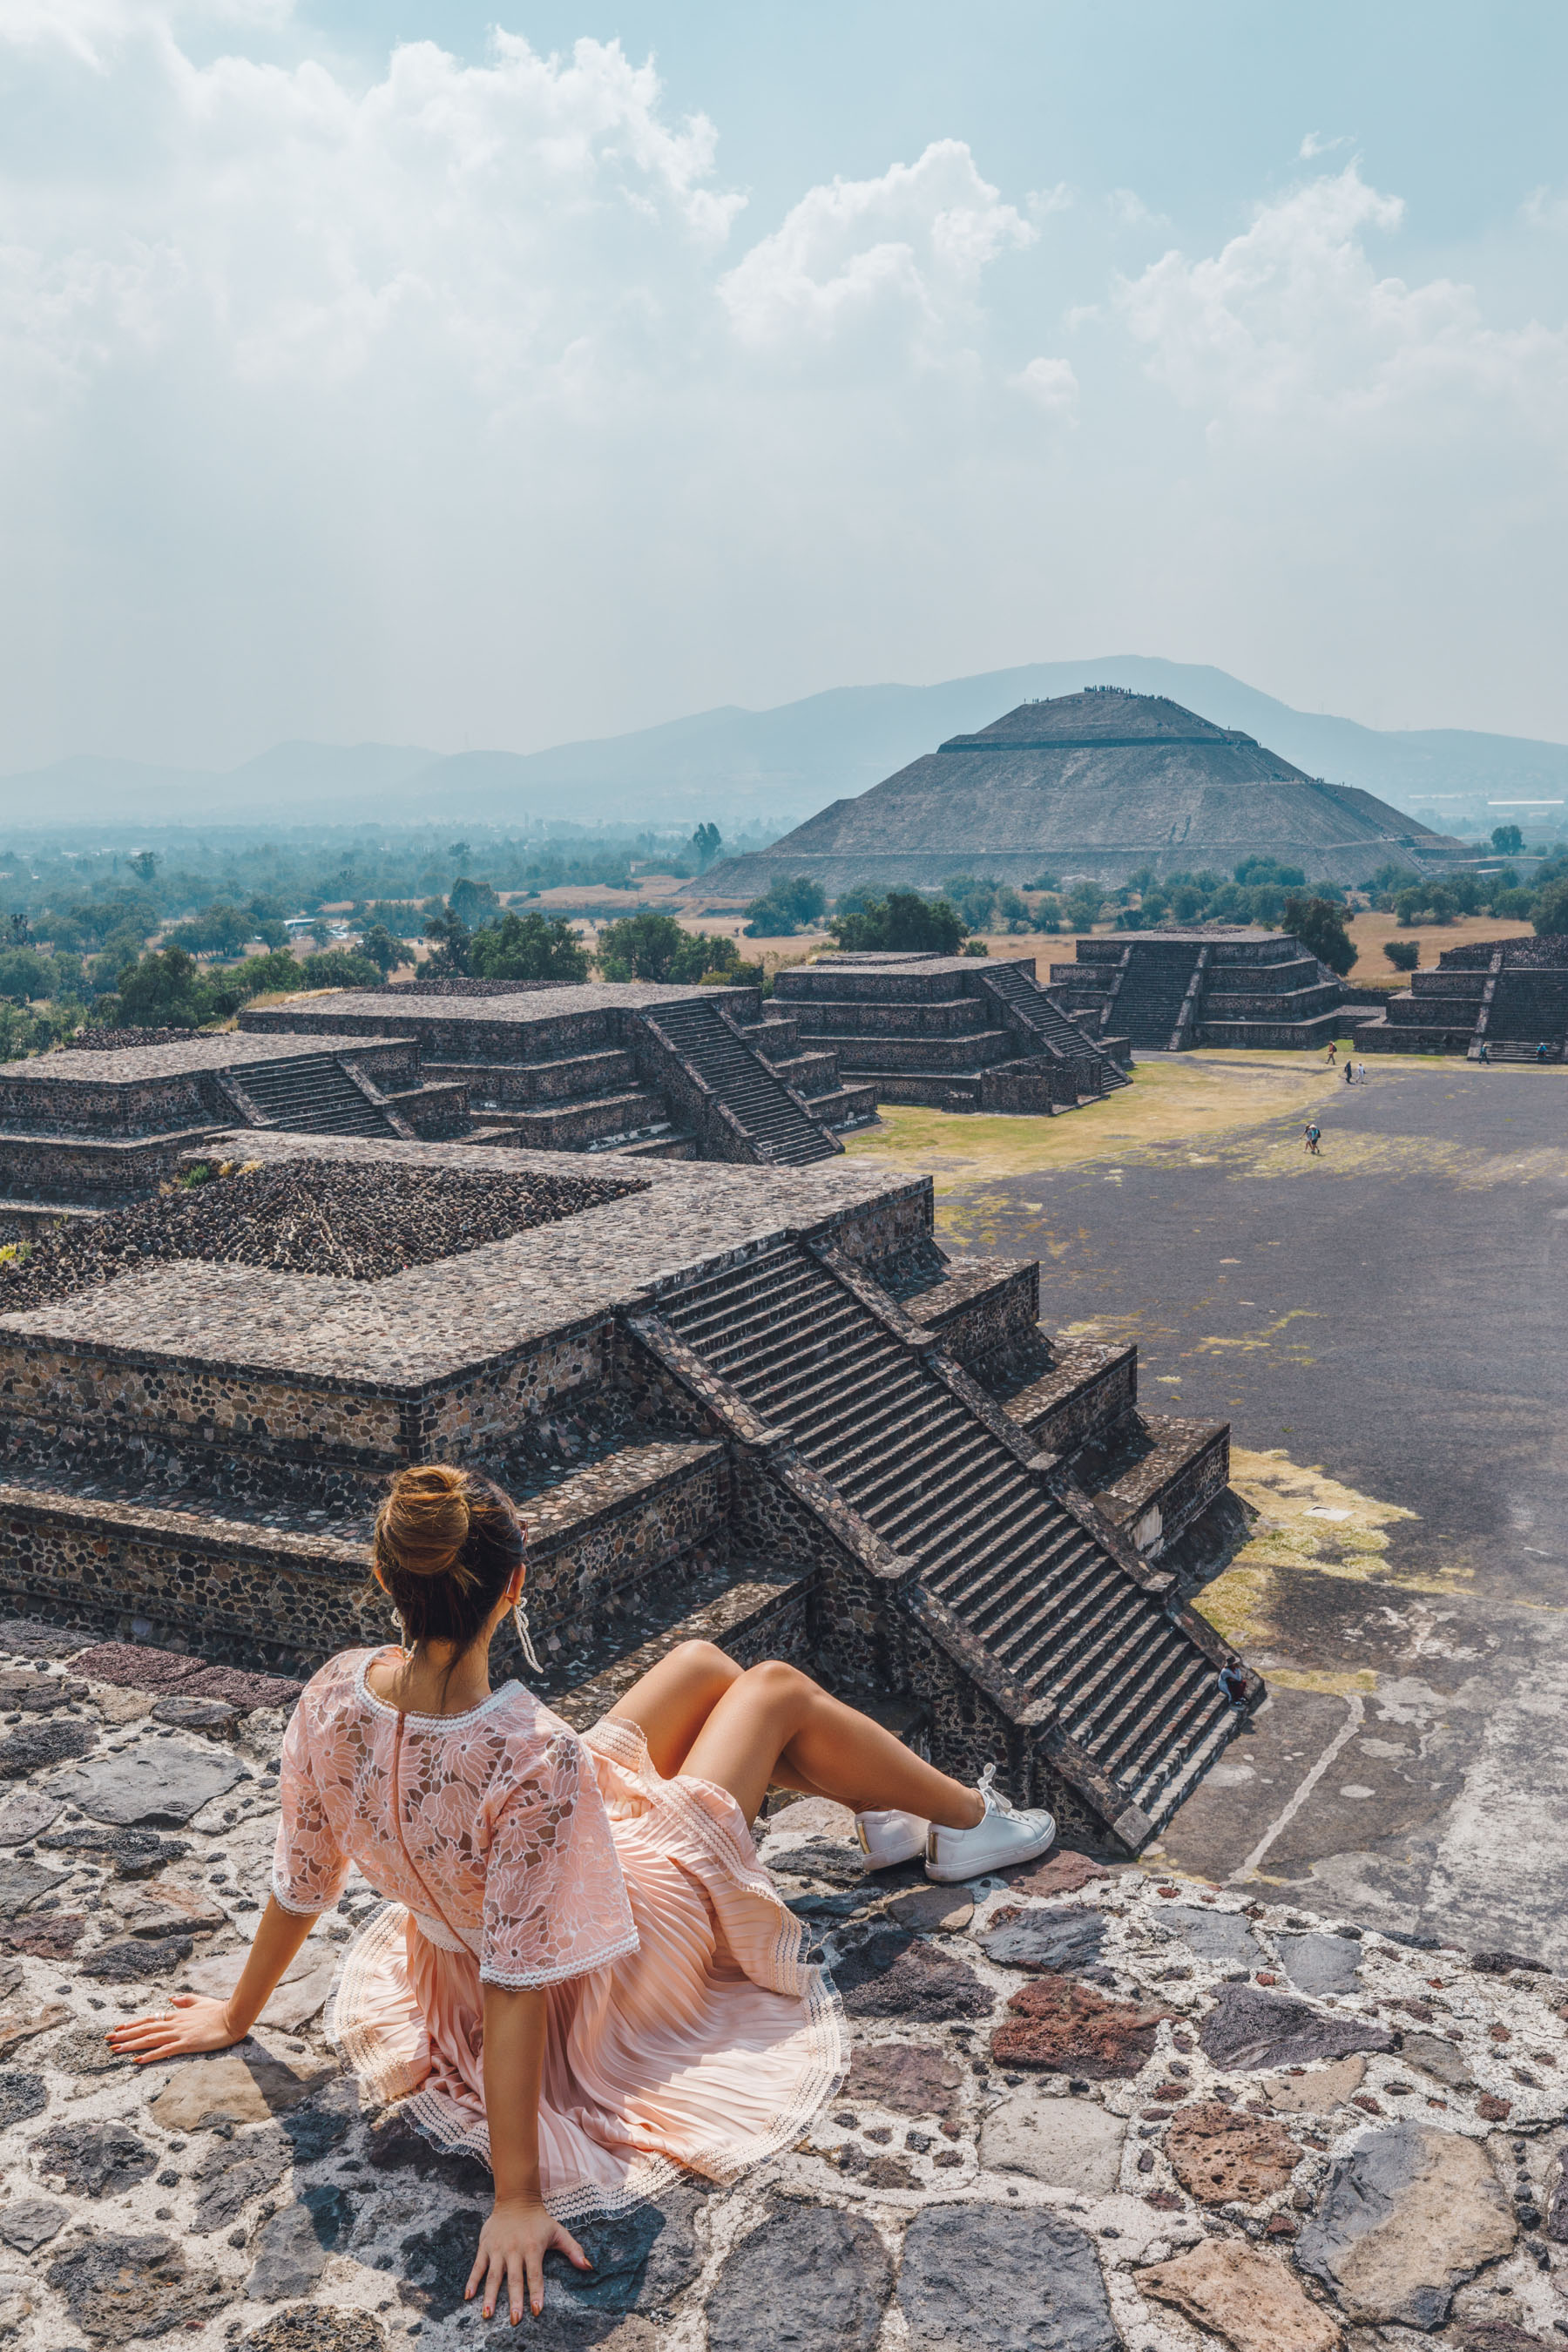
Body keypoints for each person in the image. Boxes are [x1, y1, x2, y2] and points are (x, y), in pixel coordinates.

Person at [107, 1466, 1056, 2322]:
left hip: (462, 1932)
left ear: (387, 1579)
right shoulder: (532, 1751)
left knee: (698, 1664)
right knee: (768, 1689)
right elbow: (521, 1981)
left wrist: (240, 2013)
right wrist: (518, 2194)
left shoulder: (333, 1693)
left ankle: (890, 1811)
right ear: (514, 1587)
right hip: (607, 1966)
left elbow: (303, 1876)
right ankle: (969, 1822)